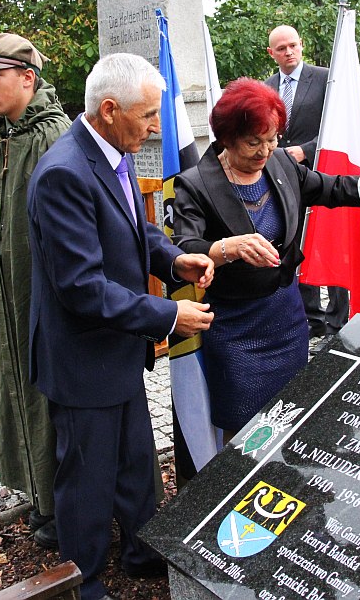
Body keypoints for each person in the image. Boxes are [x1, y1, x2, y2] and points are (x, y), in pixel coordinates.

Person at [27, 52, 215, 600]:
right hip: (83, 359)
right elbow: (82, 288)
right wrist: (169, 314)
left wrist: (173, 260)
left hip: (116, 351)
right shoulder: (64, 173)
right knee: (85, 479)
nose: (157, 127)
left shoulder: (114, 151)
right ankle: (80, 582)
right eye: (147, 115)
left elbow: (136, 232)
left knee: (135, 462)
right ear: (109, 110)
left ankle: (140, 551)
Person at [172, 78, 360, 436]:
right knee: (243, 433)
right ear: (225, 138)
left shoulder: (281, 165)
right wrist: (227, 247)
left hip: (287, 320)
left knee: (288, 418)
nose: (264, 151)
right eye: (253, 142)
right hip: (234, 327)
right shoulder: (194, 183)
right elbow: (183, 246)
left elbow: (332, 187)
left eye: (272, 139)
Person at [0, 33, 71, 550]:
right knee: (10, 385)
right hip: (3, 298)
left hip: (42, 301)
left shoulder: (55, 140)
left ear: (27, 78)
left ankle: (60, 504)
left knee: (45, 395)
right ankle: (35, 490)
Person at [265, 25, 347, 339]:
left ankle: (340, 319)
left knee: (331, 243)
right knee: (298, 243)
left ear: (301, 46)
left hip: (324, 172)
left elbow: (339, 124)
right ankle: (311, 319)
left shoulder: (327, 78)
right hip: (285, 181)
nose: (288, 52)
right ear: (271, 53)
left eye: (293, 46)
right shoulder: (268, 86)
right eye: (281, 48)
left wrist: (306, 150)